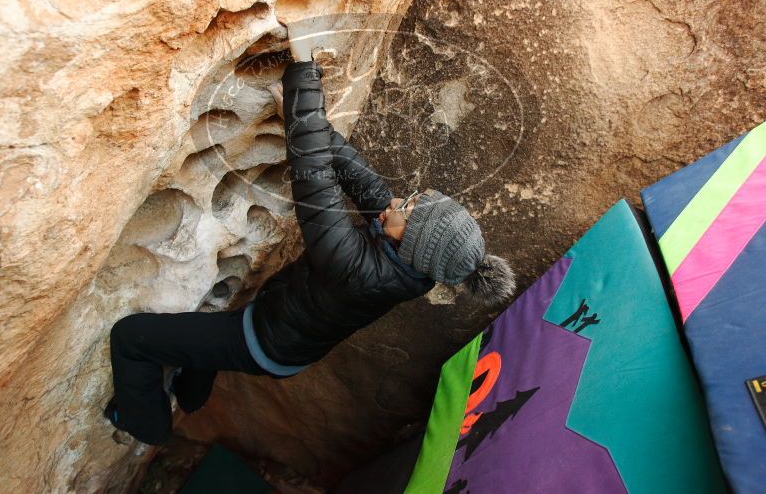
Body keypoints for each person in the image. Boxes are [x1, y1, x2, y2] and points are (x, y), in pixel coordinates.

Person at [103, 27, 516, 445]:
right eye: (410, 198)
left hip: (262, 344)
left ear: (411, 240)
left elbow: (313, 177)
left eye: (406, 208)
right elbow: (352, 171)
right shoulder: (412, 261)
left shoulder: (356, 269)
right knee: (204, 343)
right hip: (285, 328)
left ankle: (145, 426)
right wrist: (302, 119)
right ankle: (190, 397)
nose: (395, 201)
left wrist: (303, 68)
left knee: (132, 338)